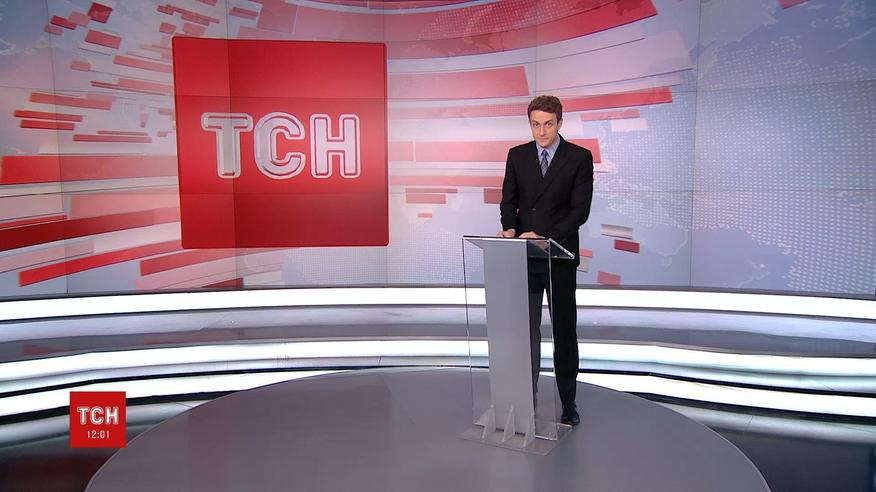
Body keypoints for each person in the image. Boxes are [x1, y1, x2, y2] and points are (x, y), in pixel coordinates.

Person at [497, 95, 593, 426]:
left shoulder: (579, 158)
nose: (542, 132)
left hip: (559, 257)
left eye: (548, 124)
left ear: (560, 123)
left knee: (564, 331)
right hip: (524, 257)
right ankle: (527, 397)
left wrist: (543, 235)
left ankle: (568, 401)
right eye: (535, 124)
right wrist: (510, 228)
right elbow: (508, 201)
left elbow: (579, 211)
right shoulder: (517, 155)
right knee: (526, 333)